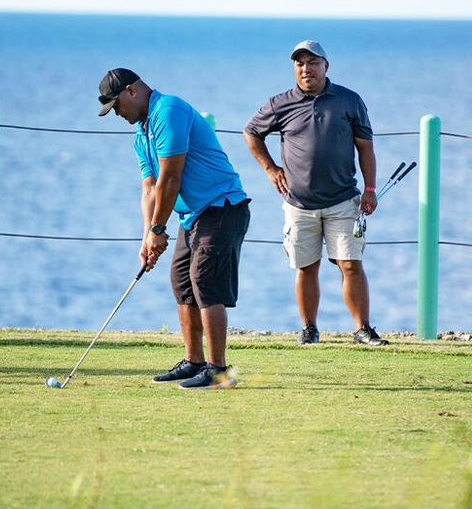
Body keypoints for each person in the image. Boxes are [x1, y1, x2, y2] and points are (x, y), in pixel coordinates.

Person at [97, 68, 251, 389]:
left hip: (222, 206)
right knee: (181, 280)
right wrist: (147, 236)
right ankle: (195, 361)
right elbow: (150, 188)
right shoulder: (142, 133)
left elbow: (171, 177)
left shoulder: (169, 111)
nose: (117, 114)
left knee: (204, 279)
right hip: (193, 215)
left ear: (132, 91)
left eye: (117, 106)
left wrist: (158, 228)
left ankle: (219, 370)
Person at [243, 40, 389, 346]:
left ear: (326, 66)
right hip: (299, 204)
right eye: (299, 63)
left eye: (312, 62)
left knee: (351, 264)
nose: (306, 69)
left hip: (343, 199)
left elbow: (365, 147)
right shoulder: (279, 103)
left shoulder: (350, 100)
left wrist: (370, 188)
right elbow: (252, 132)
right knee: (306, 267)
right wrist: (270, 169)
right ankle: (309, 329)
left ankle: (362, 329)